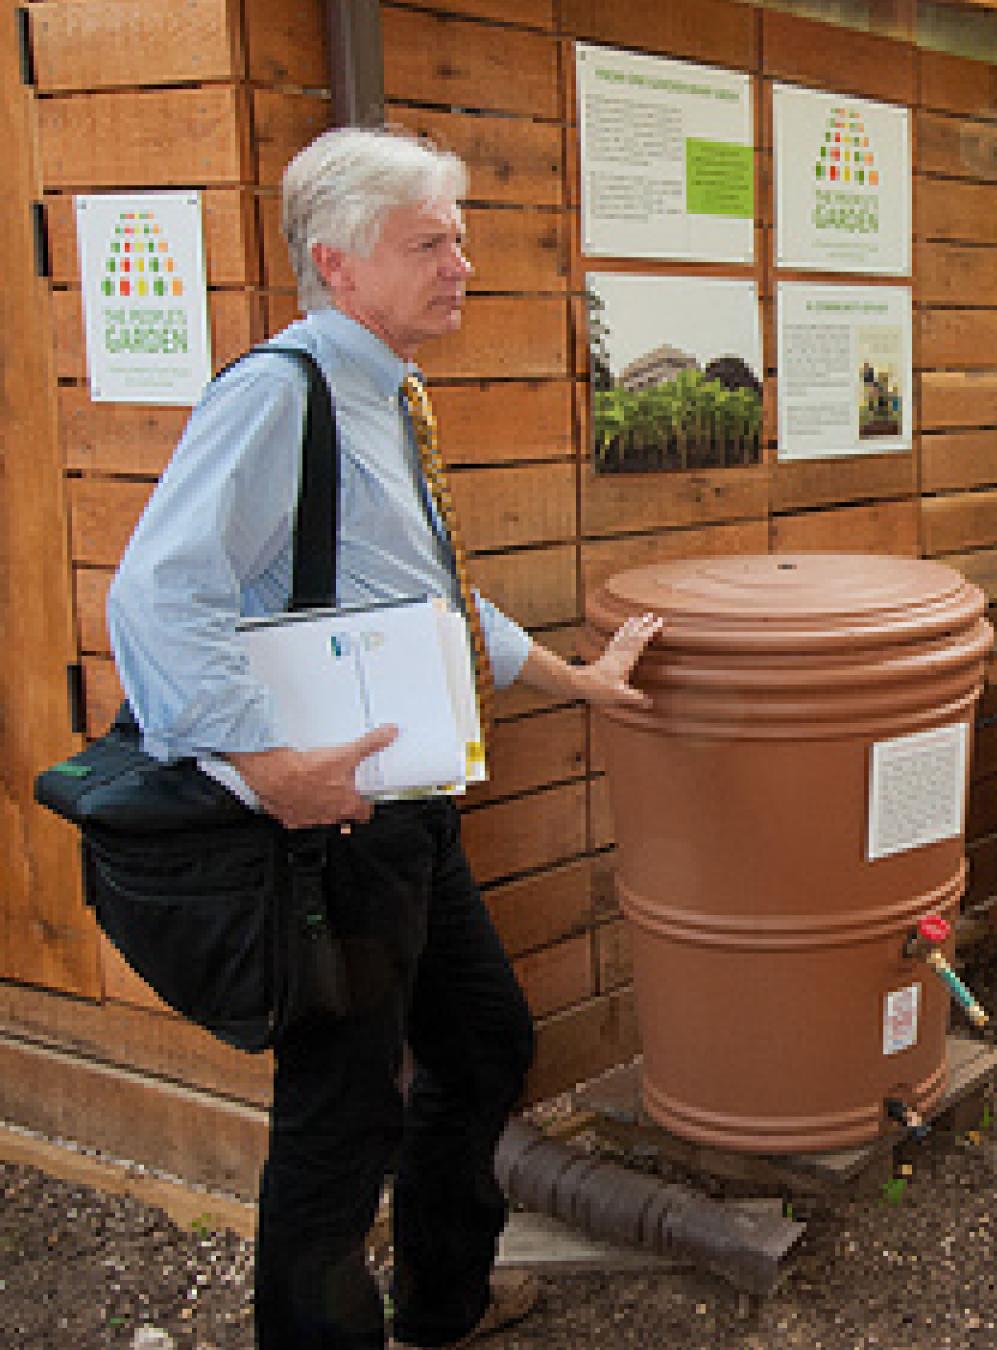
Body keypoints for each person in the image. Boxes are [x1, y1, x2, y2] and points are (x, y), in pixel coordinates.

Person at [107, 127, 662, 1350]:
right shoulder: (279, 394)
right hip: (333, 830)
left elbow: (427, 593)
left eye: (457, 236)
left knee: (481, 1048)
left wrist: (574, 678)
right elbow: (157, 593)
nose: (462, 262)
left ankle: (440, 1307)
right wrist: (263, 765)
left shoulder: (385, 392)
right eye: (430, 241)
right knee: (341, 1114)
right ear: (339, 264)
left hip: (407, 816)